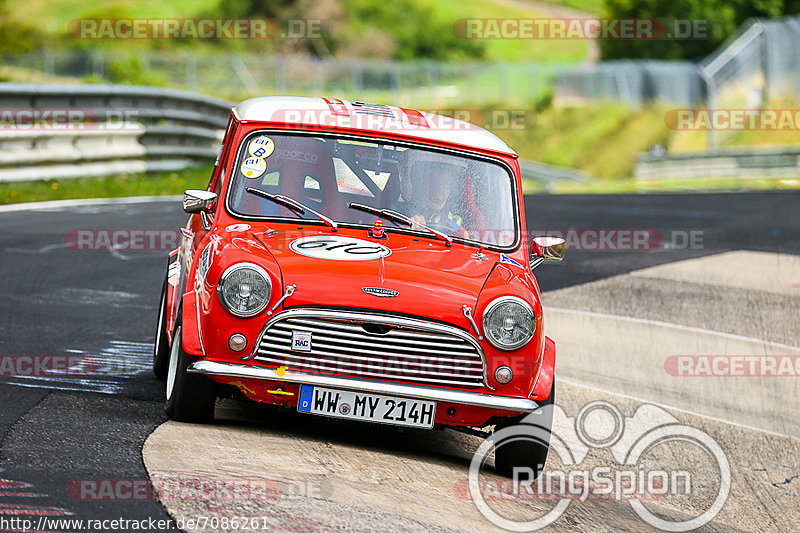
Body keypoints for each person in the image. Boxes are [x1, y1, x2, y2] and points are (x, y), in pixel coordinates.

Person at [404, 161, 468, 237]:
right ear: (419, 185)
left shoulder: (456, 228)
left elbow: (467, 246)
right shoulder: (395, 215)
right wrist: (405, 229)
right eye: (433, 183)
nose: (440, 190)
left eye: (446, 184)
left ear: (450, 190)